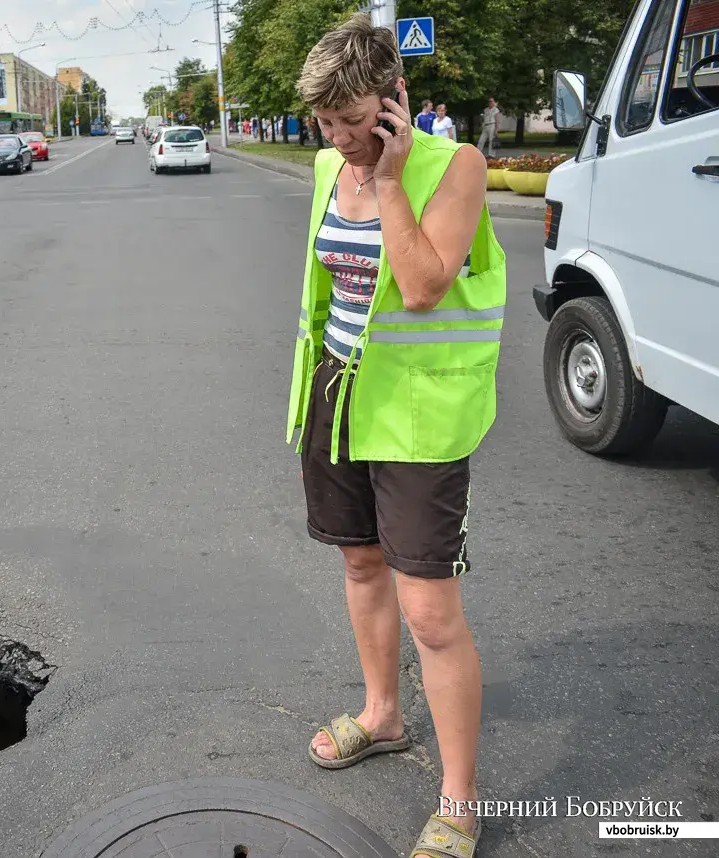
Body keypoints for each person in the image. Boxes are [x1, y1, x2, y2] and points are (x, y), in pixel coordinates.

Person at [289, 13, 506, 858]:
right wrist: (314, 389)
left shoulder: (457, 166)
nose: (341, 138)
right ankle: (382, 715)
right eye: (328, 123)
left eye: (353, 120)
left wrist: (387, 177)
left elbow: (418, 288)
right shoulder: (319, 166)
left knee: (432, 612)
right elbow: (329, 291)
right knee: (359, 562)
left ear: (392, 101)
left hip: (418, 411)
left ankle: (459, 800)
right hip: (339, 395)